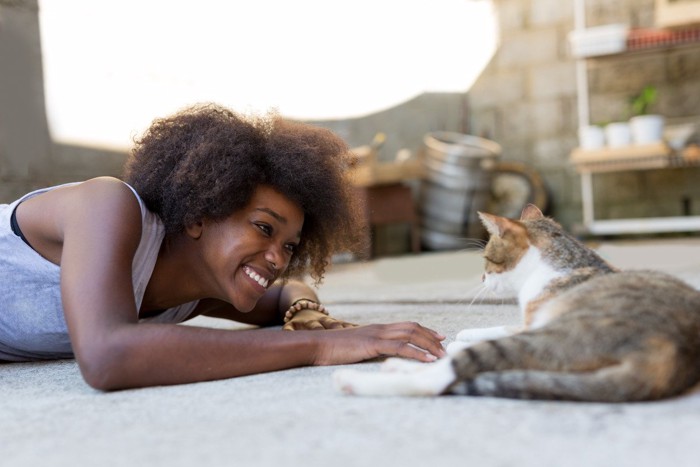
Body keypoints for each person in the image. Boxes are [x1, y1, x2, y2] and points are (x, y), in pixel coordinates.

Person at [0, 103, 445, 390]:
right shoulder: (108, 206)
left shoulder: (197, 293)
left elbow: (288, 293)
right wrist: (318, 348)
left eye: (290, 246)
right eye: (263, 228)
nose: (277, 258)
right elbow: (106, 356)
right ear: (199, 214)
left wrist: (305, 315)